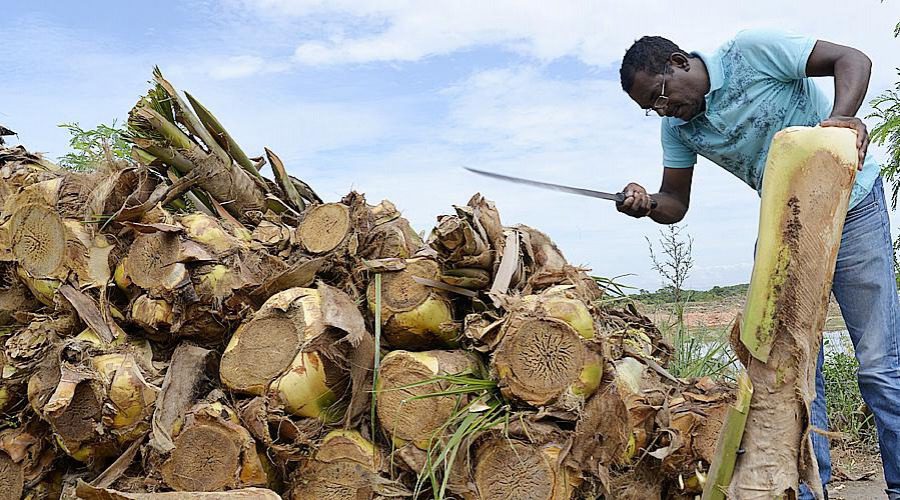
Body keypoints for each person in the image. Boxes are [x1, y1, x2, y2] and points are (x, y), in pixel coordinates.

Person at [618, 29, 900, 499]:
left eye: (660, 97)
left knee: (878, 363)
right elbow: (675, 203)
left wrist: (841, 119)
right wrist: (646, 203)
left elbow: (852, 59)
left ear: (678, 62)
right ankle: (810, 489)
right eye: (651, 109)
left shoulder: (750, 53)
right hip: (785, 230)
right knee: (792, 371)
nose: (662, 111)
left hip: (852, 208)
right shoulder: (679, 129)